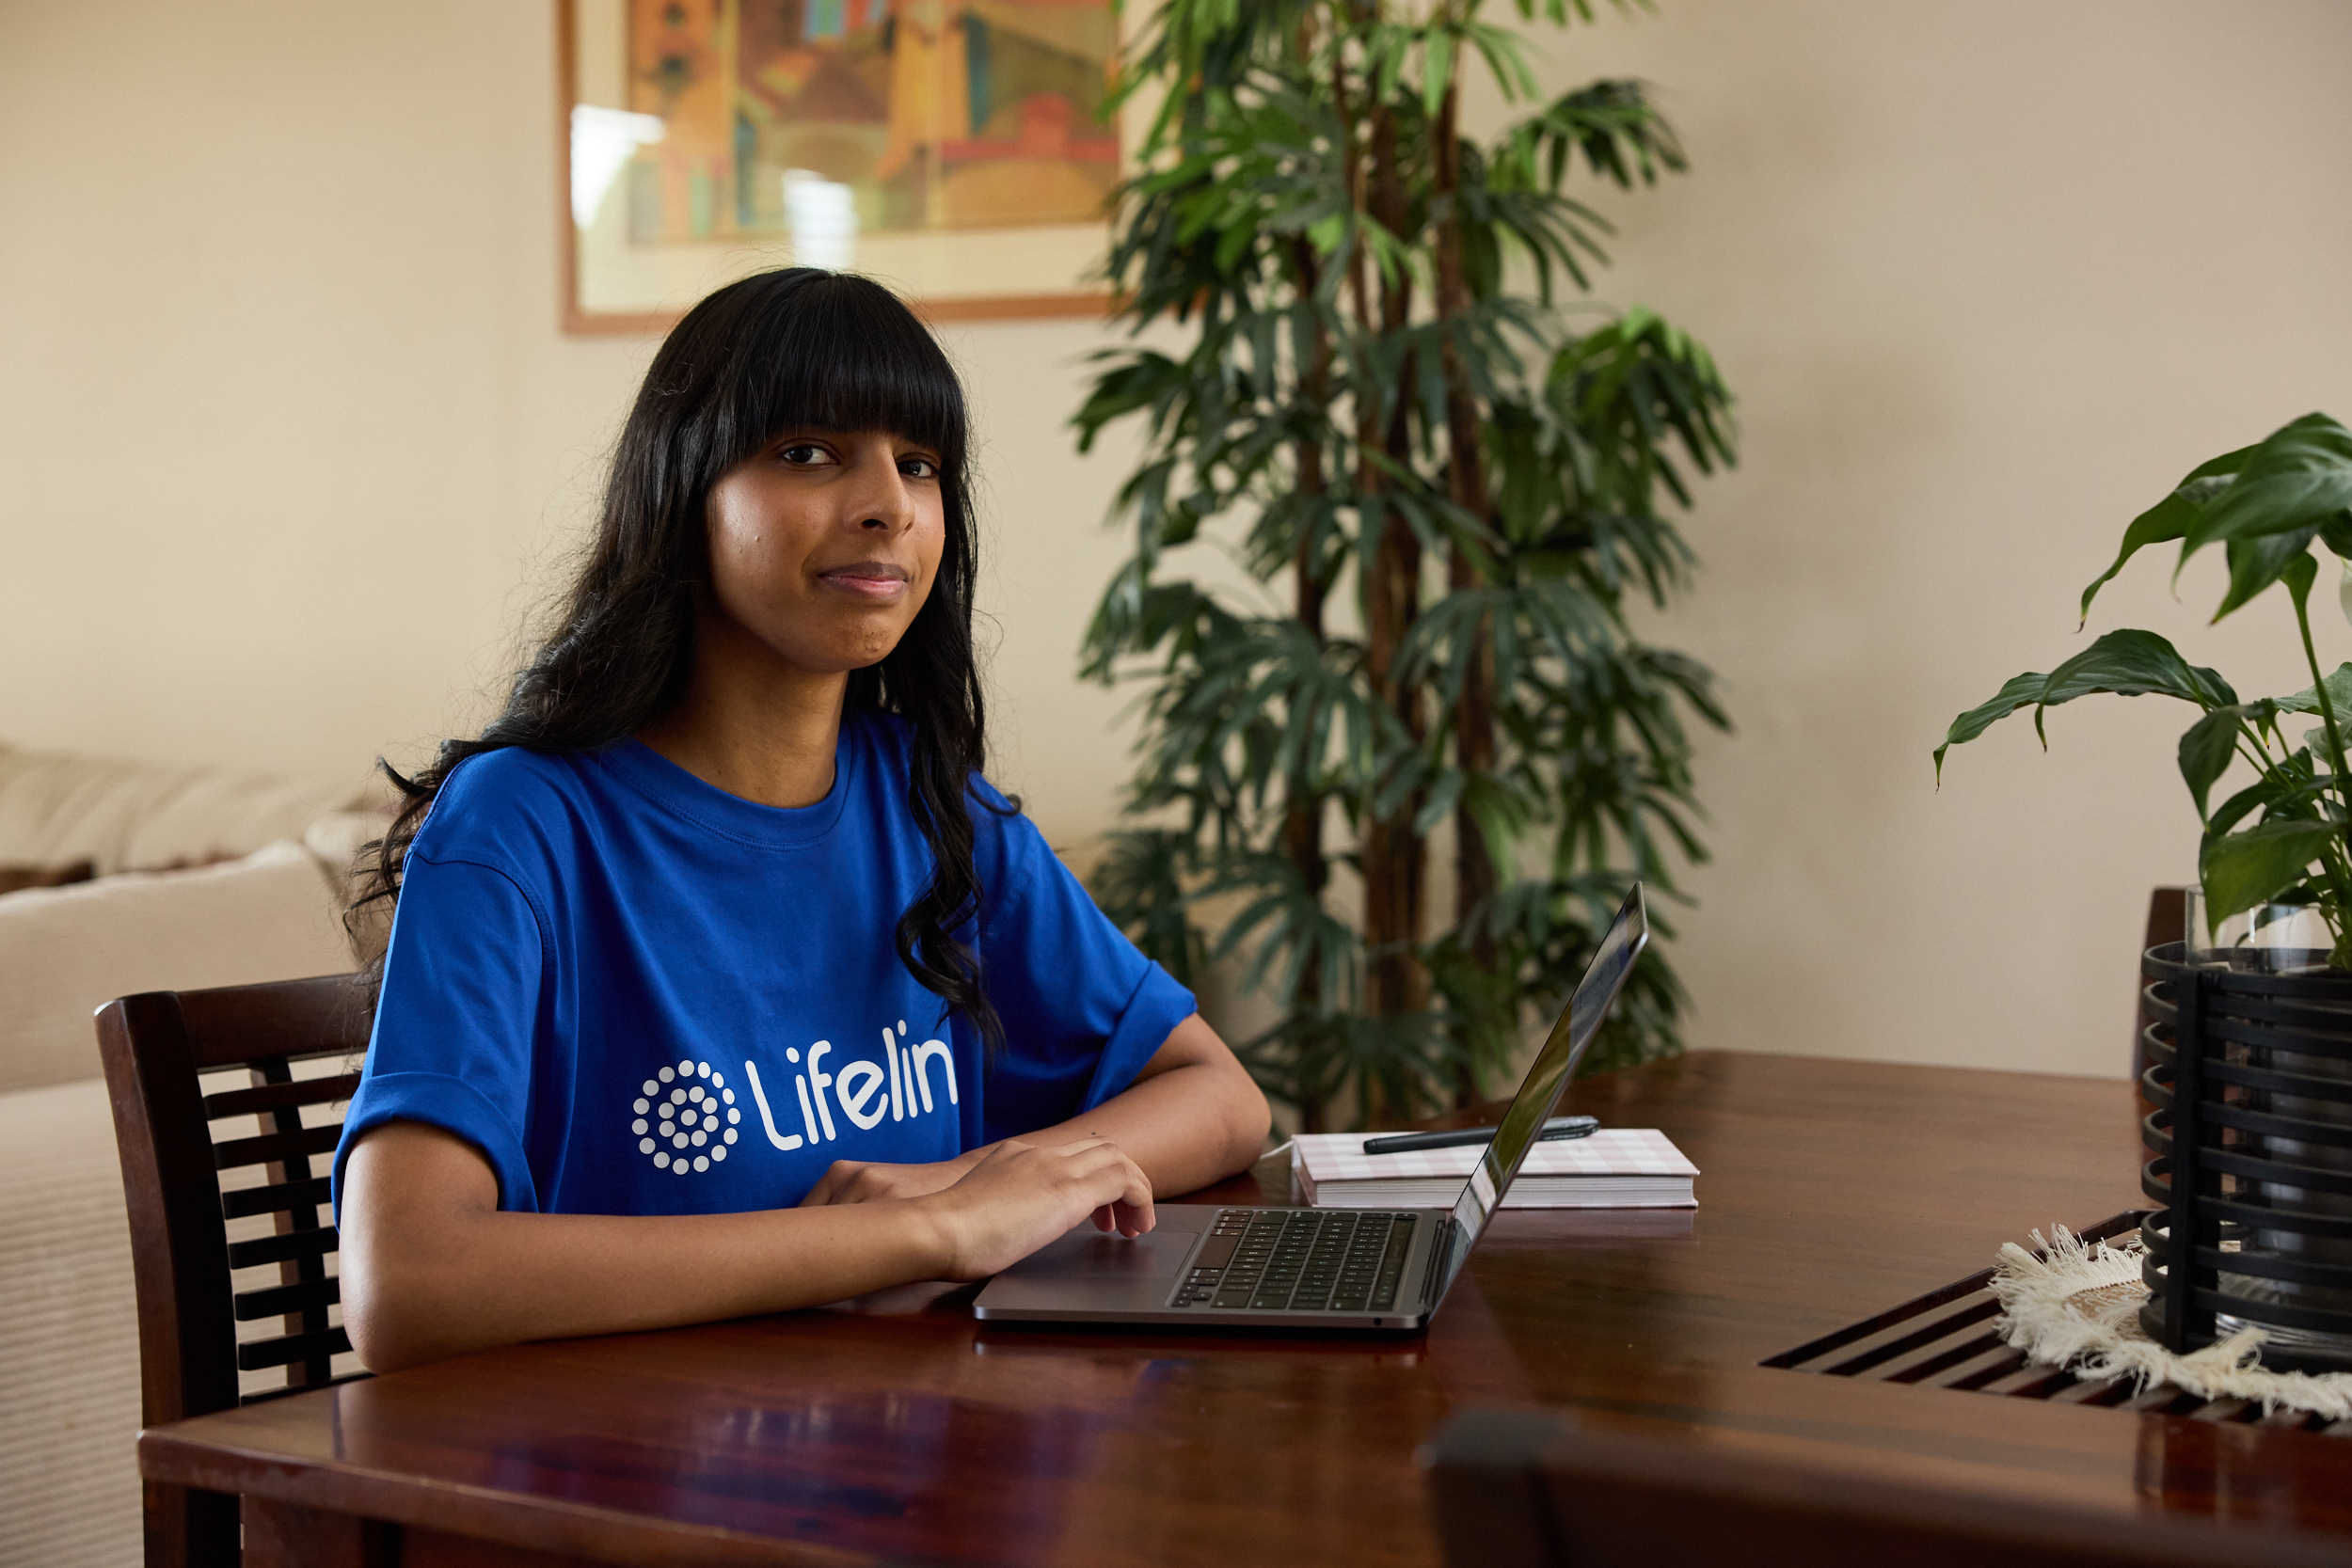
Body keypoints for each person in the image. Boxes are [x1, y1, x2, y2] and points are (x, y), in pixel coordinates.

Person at [334, 269, 1270, 1374]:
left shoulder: (934, 807)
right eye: (810, 453)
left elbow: (1221, 1096)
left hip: (909, 1448)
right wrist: (915, 1232)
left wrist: (965, 1182)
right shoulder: (522, 823)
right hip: (625, 1471)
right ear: (685, 491)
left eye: (918, 463)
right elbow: (405, 1282)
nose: (890, 504)